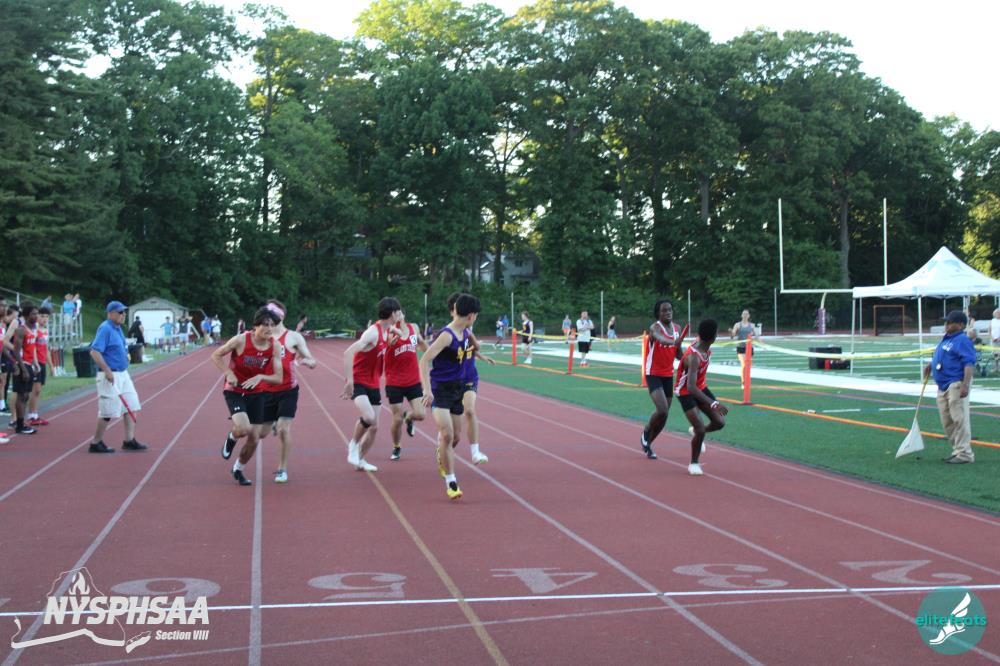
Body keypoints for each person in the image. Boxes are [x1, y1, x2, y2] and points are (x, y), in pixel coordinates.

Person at [419, 293, 481, 499]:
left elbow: (471, 351)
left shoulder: (465, 332)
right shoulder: (447, 335)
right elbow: (424, 360)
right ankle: (451, 482)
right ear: (470, 315)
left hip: (458, 389)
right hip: (441, 390)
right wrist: (427, 390)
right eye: (476, 315)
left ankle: (442, 452)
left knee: (455, 438)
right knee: (446, 435)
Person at [212, 306, 283, 485]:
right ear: (255, 326)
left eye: (272, 325)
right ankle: (232, 437)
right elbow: (216, 355)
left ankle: (238, 469)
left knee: (255, 437)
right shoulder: (241, 340)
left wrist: (261, 377)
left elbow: (278, 378)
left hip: (257, 392)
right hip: (235, 389)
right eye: (265, 325)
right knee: (243, 429)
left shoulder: (274, 346)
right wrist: (229, 373)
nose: (269, 329)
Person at [341, 298, 402, 473]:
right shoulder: (372, 333)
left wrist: (394, 335)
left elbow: (398, 331)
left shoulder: (387, 328)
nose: (400, 315)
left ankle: (360, 460)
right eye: (398, 312)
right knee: (368, 417)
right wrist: (349, 381)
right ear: (392, 313)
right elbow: (348, 353)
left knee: (374, 427)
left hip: (373, 381)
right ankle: (353, 445)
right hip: (359, 381)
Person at [260, 300, 316, 483]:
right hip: (266, 391)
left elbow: (312, 360)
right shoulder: (261, 336)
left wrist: (308, 362)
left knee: (284, 430)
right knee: (260, 433)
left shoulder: (293, 337)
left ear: (279, 316)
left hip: (288, 390)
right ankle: (272, 423)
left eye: (270, 316)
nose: (267, 320)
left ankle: (282, 469)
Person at [88, 301, 148, 453]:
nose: (123, 315)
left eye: (124, 312)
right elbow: (94, 352)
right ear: (111, 313)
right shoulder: (105, 328)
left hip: (123, 373)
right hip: (110, 374)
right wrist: (107, 370)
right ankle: (96, 442)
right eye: (120, 312)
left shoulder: (118, 328)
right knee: (107, 411)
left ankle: (129, 440)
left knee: (132, 405)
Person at [675, 319, 728, 476]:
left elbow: (680, 357)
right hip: (685, 391)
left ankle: (697, 432)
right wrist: (713, 403)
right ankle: (694, 463)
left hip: (701, 387)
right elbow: (691, 387)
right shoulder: (695, 357)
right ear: (713, 337)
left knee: (719, 422)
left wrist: (678, 348)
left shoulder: (702, 343)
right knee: (700, 428)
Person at [925, 310, 977, 464]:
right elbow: (943, 356)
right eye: (946, 322)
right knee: (947, 420)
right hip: (943, 385)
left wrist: (965, 385)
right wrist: (931, 365)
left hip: (956, 383)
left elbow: (968, 364)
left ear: (960, 325)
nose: (946, 325)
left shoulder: (962, 340)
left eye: (950, 322)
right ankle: (957, 449)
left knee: (959, 419)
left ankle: (965, 454)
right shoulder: (947, 338)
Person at [641, 299, 684, 460]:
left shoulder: (677, 328)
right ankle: (646, 431)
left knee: (664, 416)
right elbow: (661, 339)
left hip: (668, 374)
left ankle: (648, 444)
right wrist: (674, 341)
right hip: (653, 373)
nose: (668, 313)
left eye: (670, 310)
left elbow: (679, 353)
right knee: (662, 409)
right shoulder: (655, 328)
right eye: (664, 310)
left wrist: (691, 358)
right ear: (658, 313)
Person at [384, 311, 428, 461]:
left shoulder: (413, 327)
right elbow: (386, 343)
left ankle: (408, 418)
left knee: (421, 414)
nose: (397, 314)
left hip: (413, 380)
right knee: (397, 420)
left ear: (403, 313)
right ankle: (396, 446)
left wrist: (431, 353)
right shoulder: (389, 331)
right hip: (394, 382)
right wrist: (390, 341)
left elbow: (421, 343)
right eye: (394, 313)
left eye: (399, 311)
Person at [10, 304, 39, 435]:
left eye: (37, 314)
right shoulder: (21, 330)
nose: (36, 316)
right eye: (33, 314)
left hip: (29, 364)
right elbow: (16, 351)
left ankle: (21, 422)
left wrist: (35, 363)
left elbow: (31, 348)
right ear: (27, 316)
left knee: (26, 395)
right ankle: (20, 425)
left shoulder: (34, 328)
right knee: (21, 395)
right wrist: (23, 369)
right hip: (22, 364)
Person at [27, 306, 51, 426]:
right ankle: (31, 415)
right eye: (42, 316)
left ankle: (35, 414)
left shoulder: (46, 330)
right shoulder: (35, 330)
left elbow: (46, 349)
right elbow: (33, 348)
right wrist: (35, 363)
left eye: (46, 317)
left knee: (38, 390)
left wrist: (51, 366)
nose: (44, 319)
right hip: (35, 363)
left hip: (42, 362)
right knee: (35, 390)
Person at [731, 309, 755, 388]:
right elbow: (732, 336)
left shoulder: (752, 325)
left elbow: (756, 336)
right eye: (744, 314)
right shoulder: (737, 325)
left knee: (748, 366)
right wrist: (732, 333)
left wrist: (763, 344)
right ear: (741, 315)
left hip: (749, 348)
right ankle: (743, 382)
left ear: (749, 316)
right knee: (744, 364)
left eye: (746, 314)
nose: (745, 315)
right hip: (740, 347)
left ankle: (747, 381)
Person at [991, 308, 1000, 373]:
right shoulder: (992, 320)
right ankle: (996, 368)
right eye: (996, 313)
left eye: (998, 313)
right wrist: (992, 337)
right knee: (995, 354)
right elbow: (989, 330)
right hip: (994, 340)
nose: (997, 314)